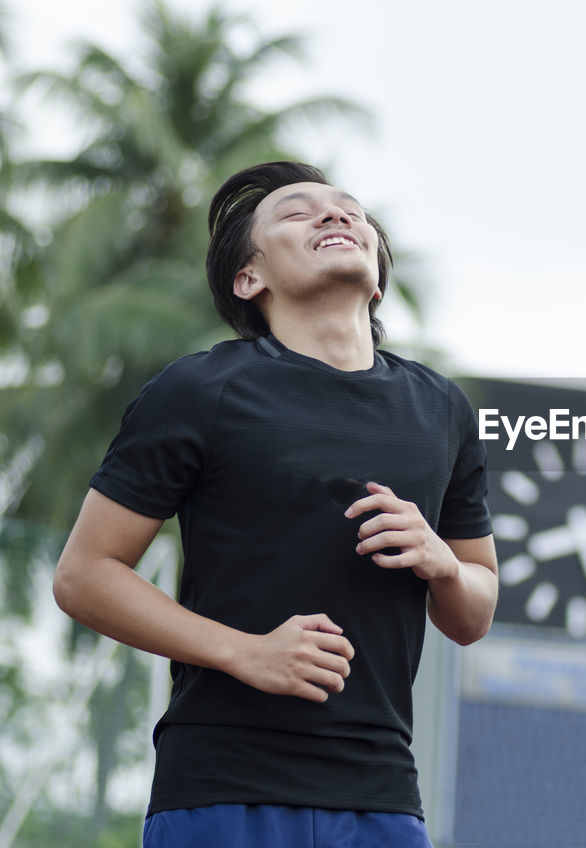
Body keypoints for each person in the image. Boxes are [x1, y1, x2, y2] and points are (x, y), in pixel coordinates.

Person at [52, 161, 498, 848]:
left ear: (378, 276)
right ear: (248, 278)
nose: (335, 215)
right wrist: (246, 653)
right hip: (222, 789)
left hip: (382, 796)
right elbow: (84, 576)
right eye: (297, 212)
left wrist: (442, 563)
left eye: (351, 210)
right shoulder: (200, 390)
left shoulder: (441, 409)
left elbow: (473, 612)